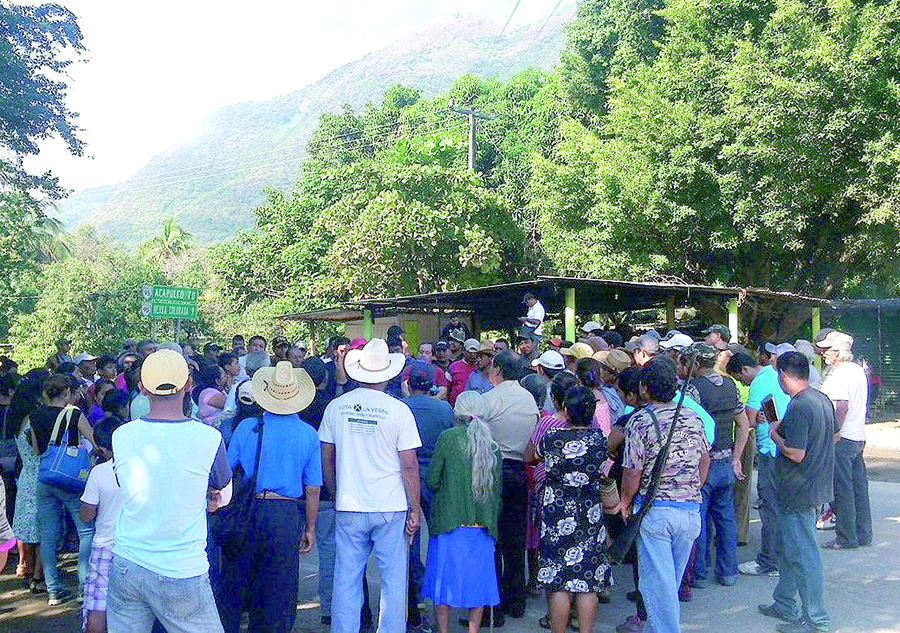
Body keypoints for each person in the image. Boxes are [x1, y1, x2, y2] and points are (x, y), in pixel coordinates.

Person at [107, 349, 233, 632]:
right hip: (182, 569)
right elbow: (223, 494)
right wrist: (209, 496)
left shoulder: (121, 436)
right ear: (189, 384)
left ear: (141, 387)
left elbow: (123, 484)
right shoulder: (209, 438)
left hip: (128, 563)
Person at [319, 338, 422, 633]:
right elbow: (409, 464)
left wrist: (335, 490)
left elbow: (327, 456)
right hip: (390, 505)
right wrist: (414, 509)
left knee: (346, 578)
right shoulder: (398, 410)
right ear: (388, 374)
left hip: (349, 503)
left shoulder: (337, 407)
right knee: (393, 580)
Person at [219, 361, 321, 633]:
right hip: (287, 516)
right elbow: (313, 488)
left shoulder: (247, 428)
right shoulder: (309, 435)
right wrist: (310, 528)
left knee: (239, 580)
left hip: (249, 510)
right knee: (279, 588)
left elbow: (226, 473)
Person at [621, 357, 710, 633]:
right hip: (690, 511)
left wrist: (624, 502)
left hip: (656, 512)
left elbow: (632, 471)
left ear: (644, 389)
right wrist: (693, 487)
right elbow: (705, 459)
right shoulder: (693, 417)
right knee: (668, 584)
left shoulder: (640, 421)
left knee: (658, 588)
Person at [757, 351, 836, 633]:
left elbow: (796, 453)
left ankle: (816, 619)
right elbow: (834, 435)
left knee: (803, 555)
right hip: (814, 486)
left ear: (782, 375)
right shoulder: (821, 399)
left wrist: (774, 432)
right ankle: (785, 602)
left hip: (799, 489)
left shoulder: (800, 406)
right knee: (793, 549)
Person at [535, 385, 612, 633]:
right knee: (587, 580)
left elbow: (533, 456)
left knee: (558, 581)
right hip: (589, 511)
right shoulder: (600, 441)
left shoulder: (552, 438)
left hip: (557, 511)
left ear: (566, 411)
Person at [424, 391, 502, 633]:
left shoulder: (448, 438)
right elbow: (496, 493)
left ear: (457, 412)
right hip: (482, 526)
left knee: (443, 584)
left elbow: (432, 480)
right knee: (478, 585)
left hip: (450, 521)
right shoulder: (493, 446)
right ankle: (473, 630)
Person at [681, 343, 749, 589]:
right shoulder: (731, 385)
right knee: (726, 519)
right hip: (726, 462)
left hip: (703, 464)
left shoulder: (692, 390)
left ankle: (699, 575)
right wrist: (737, 457)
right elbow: (743, 424)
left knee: (699, 521)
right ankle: (728, 572)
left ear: (695, 365)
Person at [483, 350, 540, 622]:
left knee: (490, 539)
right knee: (515, 540)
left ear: (498, 370)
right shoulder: (529, 399)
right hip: (520, 471)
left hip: (492, 470)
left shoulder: (488, 400)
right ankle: (516, 602)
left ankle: (492, 606)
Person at [29, 374, 96, 605]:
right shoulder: (73, 413)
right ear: (67, 393)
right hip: (70, 480)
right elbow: (95, 440)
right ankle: (83, 587)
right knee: (86, 531)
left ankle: (53, 590)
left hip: (45, 478)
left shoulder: (34, 416)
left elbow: (38, 450)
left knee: (48, 534)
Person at [726, 351, 791, 577]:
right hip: (784, 448)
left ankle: (769, 560)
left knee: (769, 505)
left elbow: (749, 420)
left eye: (739, 377)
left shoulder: (758, 383)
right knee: (782, 506)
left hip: (768, 449)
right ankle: (783, 557)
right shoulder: (776, 376)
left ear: (744, 370)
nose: (741, 382)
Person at [403, 362, 454, 622]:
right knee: (438, 535)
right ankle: (438, 587)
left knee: (410, 536)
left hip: (406, 477)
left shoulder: (401, 407)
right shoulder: (444, 408)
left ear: (409, 384)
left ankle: (414, 588)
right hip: (436, 477)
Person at [815, 331, 872, 550]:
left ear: (837, 352)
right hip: (857, 436)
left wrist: (835, 432)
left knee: (842, 489)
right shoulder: (857, 370)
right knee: (858, 487)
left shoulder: (838, 373)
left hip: (843, 437)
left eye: (828, 349)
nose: (824, 353)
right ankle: (863, 533)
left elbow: (842, 406)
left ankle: (846, 537)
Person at [80, 416, 125, 633]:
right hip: (135, 547)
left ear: (103, 446)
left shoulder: (99, 472)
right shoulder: (141, 469)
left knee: (98, 605)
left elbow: (87, 514)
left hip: (105, 545)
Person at [195, 363, 231, 428]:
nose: (228, 377)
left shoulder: (222, 391)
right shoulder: (209, 392)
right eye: (224, 376)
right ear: (217, 381)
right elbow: (230, 405)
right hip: (210, 428)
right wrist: (231, 387)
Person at [449, 339, 480, 406]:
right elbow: (447, 387)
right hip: (456, 405)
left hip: (475, 405)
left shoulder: (481, 367)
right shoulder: (454, 366)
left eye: (475, 352)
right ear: (464, 351)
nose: (472, 355)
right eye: (470, 352)